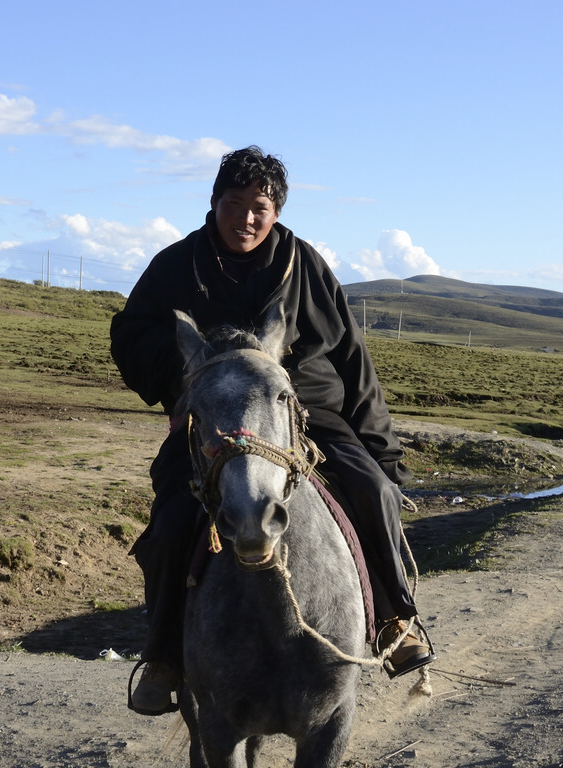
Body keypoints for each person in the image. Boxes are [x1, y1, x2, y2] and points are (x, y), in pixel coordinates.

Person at [110, 146, 435, 716]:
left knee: (376, 493)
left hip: (303, 410)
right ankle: (163, 655)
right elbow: (131, 333)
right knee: (169, 523)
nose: (246, 218)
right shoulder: (176, 263)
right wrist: (184, 380)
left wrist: (382, 453)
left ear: (276, 212)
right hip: (213, 416)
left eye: (259, 206)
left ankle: (393, 620)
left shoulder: (303, 264)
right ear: (213, 204)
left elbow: (353, 361)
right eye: (233, 204)